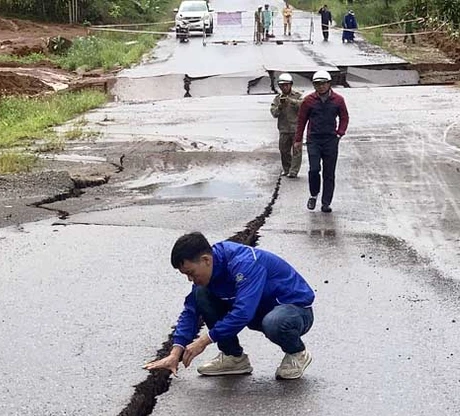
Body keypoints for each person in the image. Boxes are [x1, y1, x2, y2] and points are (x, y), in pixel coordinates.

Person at [142, 232, 315, 380]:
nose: (190, 279)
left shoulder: (245, 263)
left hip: (294, 311)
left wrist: (203, 341)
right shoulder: (209, 271)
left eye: (190, 273)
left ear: (206, 260)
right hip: (258, 312)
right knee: (201, 294)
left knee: (274, 322)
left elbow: (243, 312)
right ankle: (234, 357)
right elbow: (191, 312)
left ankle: (297, 353)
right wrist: (174, 353)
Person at [294, 71, 349, 213]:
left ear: (329, 84)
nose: (321, 86)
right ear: (314, 85)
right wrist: (298, 140)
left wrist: (339, 133)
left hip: (331, 140)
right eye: (317, 84)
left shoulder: (338, 100)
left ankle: (326, 203)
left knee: (329, 173)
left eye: (323, 83)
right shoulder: (308, 101)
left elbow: (344, 117)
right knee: (314, 169)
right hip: (314, 140)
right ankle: (313, 194)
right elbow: (301, 121)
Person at [270, 73, 303, 178]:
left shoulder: (298, 95)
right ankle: (287, 169)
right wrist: (280, 106)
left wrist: (291, 101)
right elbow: (274, 113)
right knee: (284, 151)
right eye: (282, 85)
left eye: (286, 84)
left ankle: (294, 171)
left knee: (297, 150)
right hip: (284, 129)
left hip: (296, 129)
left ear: (291, 84)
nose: (284, 87)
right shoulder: (277, 99)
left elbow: (304, 106)